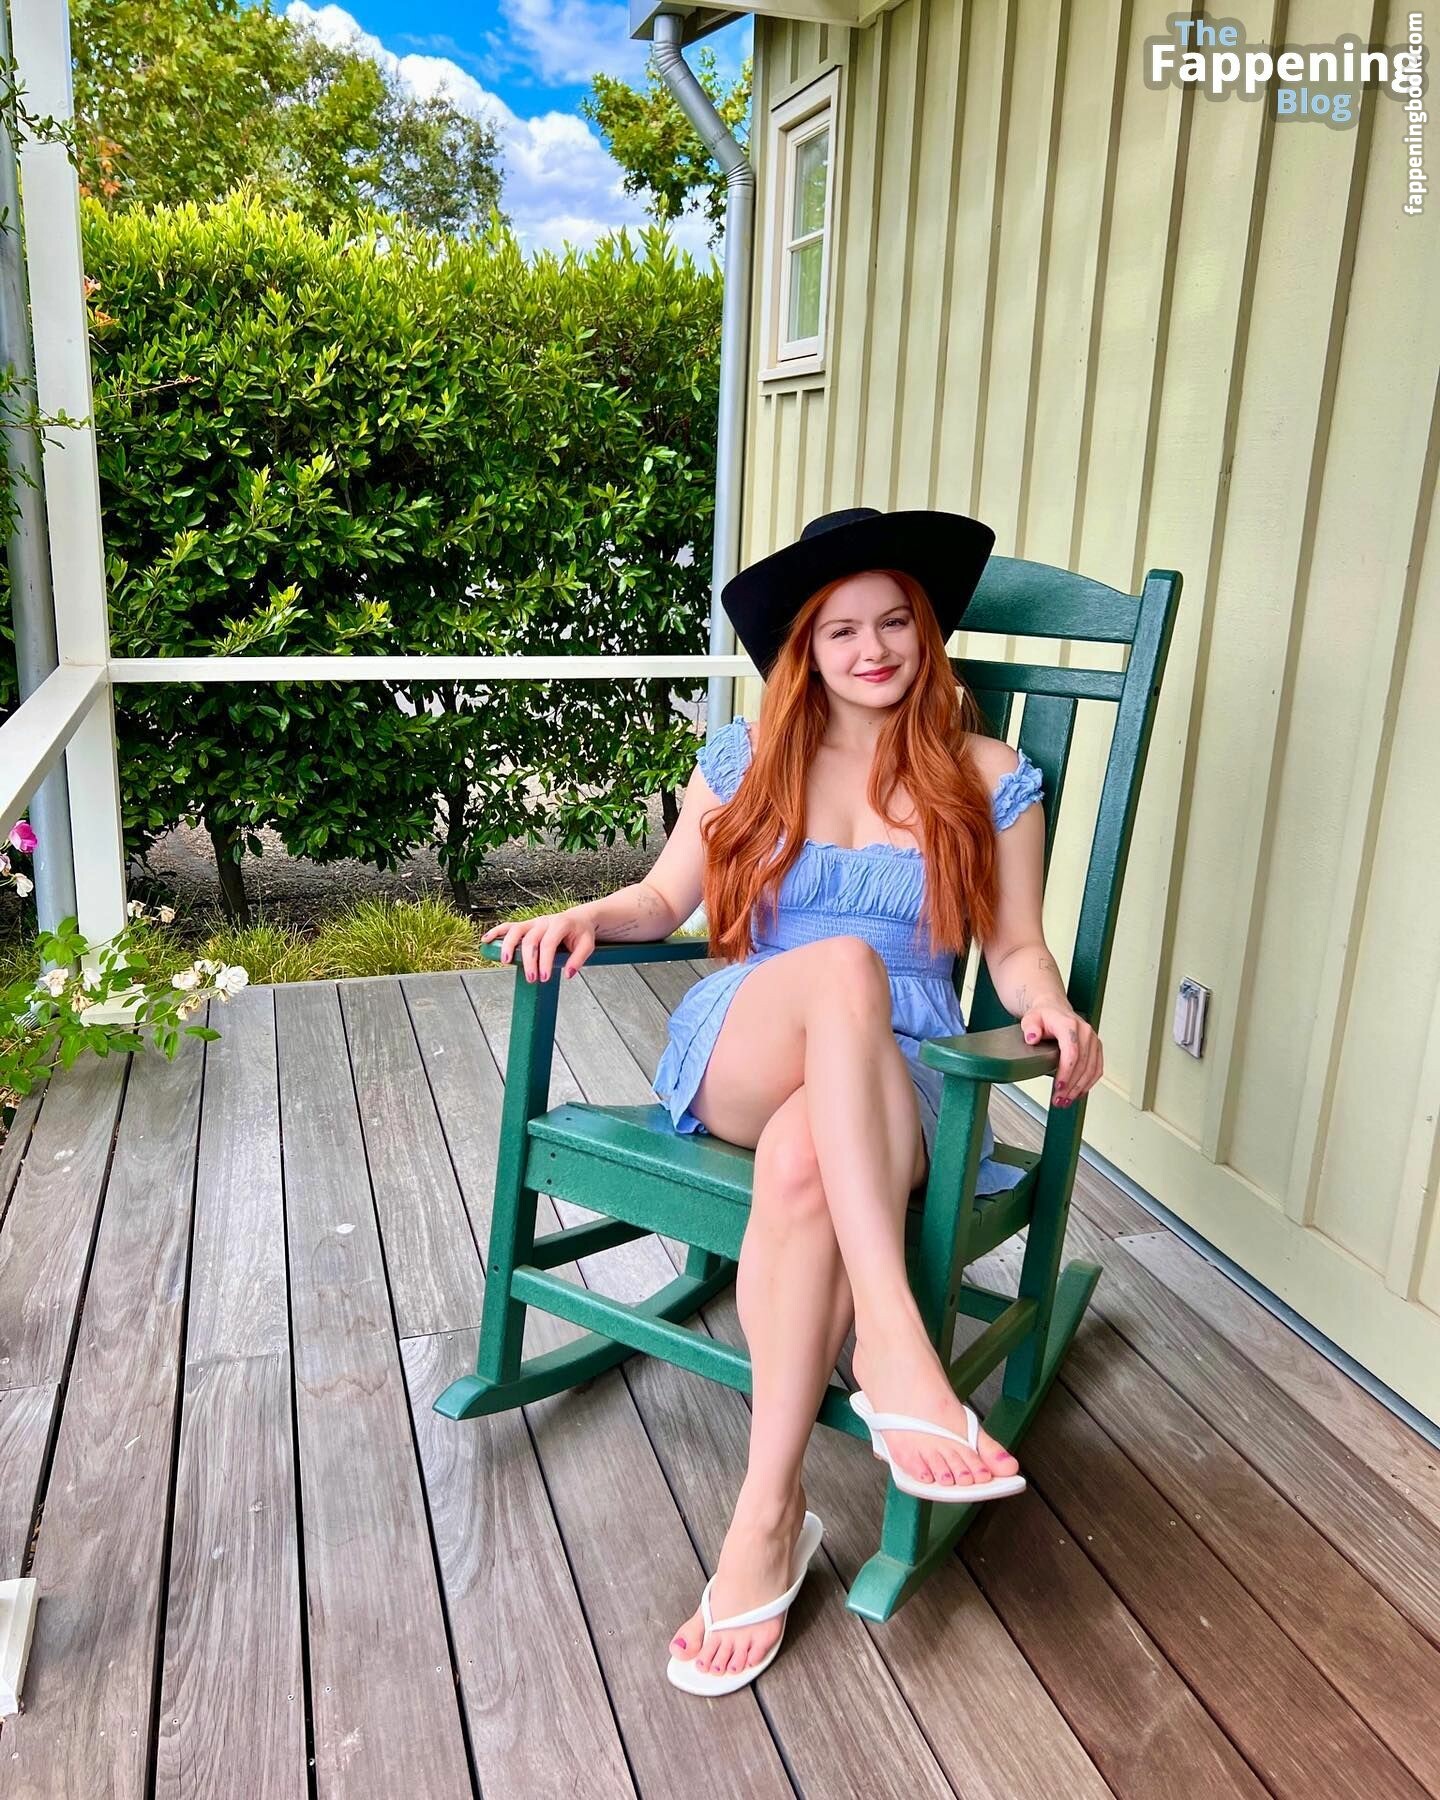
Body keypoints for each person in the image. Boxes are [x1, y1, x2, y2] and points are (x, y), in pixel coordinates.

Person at [480, 506, 1104, 1696]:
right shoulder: (746, 758)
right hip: (750, 1042)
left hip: (901, 1075)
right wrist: (588, 914)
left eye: (896, 623)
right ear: (804, 648)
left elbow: (1017, 949)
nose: (874, 649)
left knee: (814, 1150)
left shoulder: (988, 779)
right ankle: (893, 1345)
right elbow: (661, 901)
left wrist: (1051, 1009)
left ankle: (766, 1518)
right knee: (843, 968)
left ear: (927, 632)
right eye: (842, 630)